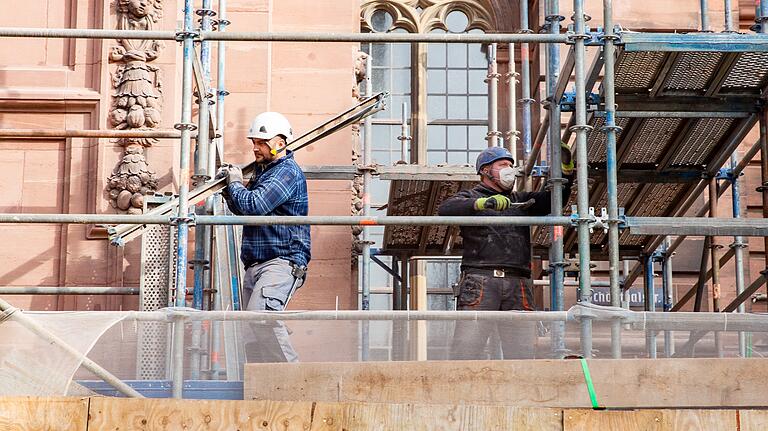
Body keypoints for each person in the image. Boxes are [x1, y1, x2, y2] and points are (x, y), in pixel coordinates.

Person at [437, 144, 574, 360]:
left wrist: (566, 172)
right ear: (485, 170)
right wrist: (482, 204)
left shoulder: (520, 200)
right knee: (466, 351)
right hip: (481, 279)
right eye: (502, 165)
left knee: (521, 353)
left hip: (517, 282)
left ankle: (519, 393)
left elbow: (553, 201)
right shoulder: (471, 196)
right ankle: (464, 393)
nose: (509, 169)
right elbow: (446, 209)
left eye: (511, 165)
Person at [217, 111, 311, 363]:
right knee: (252, 332)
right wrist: (229, 191)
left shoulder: (286, 172)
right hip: (256, 263)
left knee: (262, 316)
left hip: (281, 260)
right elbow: (243, 208)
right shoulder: (265, 171)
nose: (255, 148)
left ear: (279, 143)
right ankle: (266, 389)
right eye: (254, 143)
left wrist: (235, 183)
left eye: (261, 143)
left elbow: (254, 205)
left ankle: (296, 381)